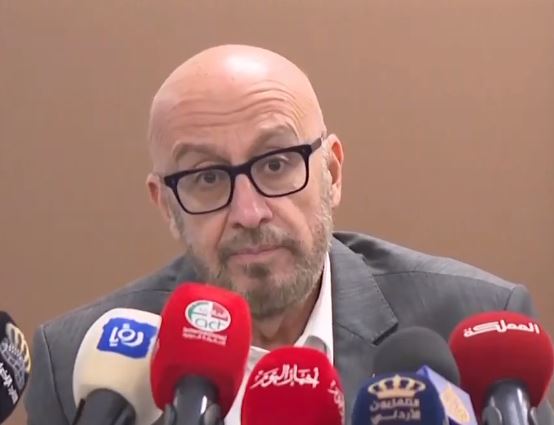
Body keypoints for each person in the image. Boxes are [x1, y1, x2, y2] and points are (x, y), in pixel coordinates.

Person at [24, 44, 553, 425]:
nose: (249, 212)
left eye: (276, 164)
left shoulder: (472, 329)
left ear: (333, 174)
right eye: (207, 178)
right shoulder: (76, 366)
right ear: (165, 203)